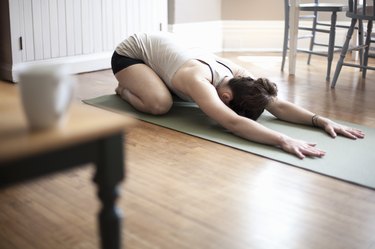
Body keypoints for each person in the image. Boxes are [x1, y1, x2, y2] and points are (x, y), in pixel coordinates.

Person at [111, 32, 364, 159]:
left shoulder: (239, 75)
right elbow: (232, 123)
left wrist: (320, 120)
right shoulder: (198, 79)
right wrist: (283, 140)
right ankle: (125, 90)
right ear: (226, 98)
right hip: (130, 54)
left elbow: (278, 106)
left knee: (179, 97)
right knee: (160, 104)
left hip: (163, 54)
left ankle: (151, 81)